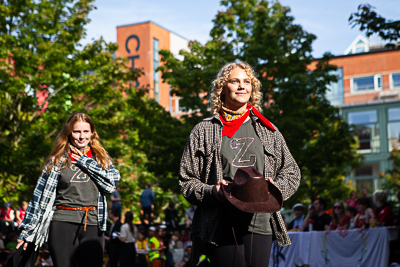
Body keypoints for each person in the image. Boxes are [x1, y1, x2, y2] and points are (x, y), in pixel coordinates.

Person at [178, 62, 301, 267]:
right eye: (235, 81)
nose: (242, 86)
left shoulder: (267, 129)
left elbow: (292, 172)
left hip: (260, 223)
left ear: (252, 89)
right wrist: (212, 191)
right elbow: (186, 181)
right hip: (221, 222)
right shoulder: (204, 130)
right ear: (222, 88)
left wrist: (275, 188)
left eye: (247, 82)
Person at [17, 112, 120, 267]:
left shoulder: (101, 159)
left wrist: (86, 162)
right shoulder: (57, 160)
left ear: (92, 133)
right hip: (62, 222)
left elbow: (111, 185)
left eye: (86, 131)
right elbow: (38, 199)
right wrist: (26, 232)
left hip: (92, 223)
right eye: (77, 131)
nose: (81, 136)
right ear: (69, 133)